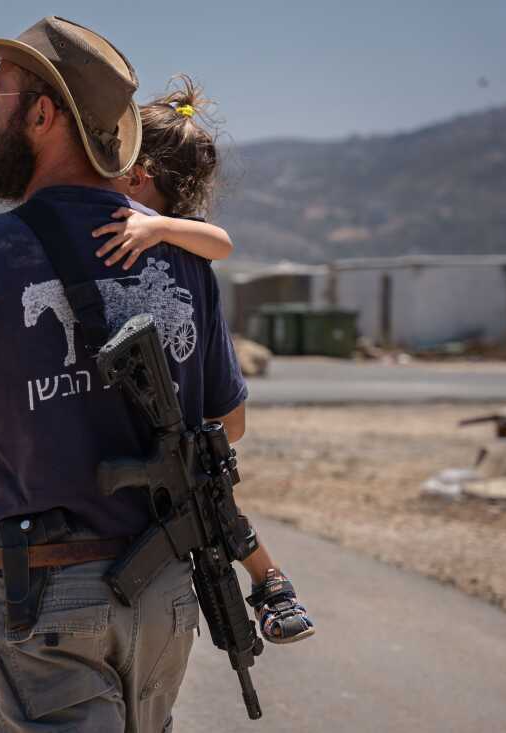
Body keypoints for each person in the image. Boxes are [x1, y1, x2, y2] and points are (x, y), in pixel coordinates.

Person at [0, 16, 248, 731]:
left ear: (43, 114)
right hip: (167, 588)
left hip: (45, 597)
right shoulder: (184, 258)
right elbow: (227, 423)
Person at [92, 76, 315, 645]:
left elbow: (223, 243)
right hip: (150, 417)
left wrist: (158, 226)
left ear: (138, 175)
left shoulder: (173, 238)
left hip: (183, 435)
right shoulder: (139, 237)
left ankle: (271, 582)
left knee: (221, 514)